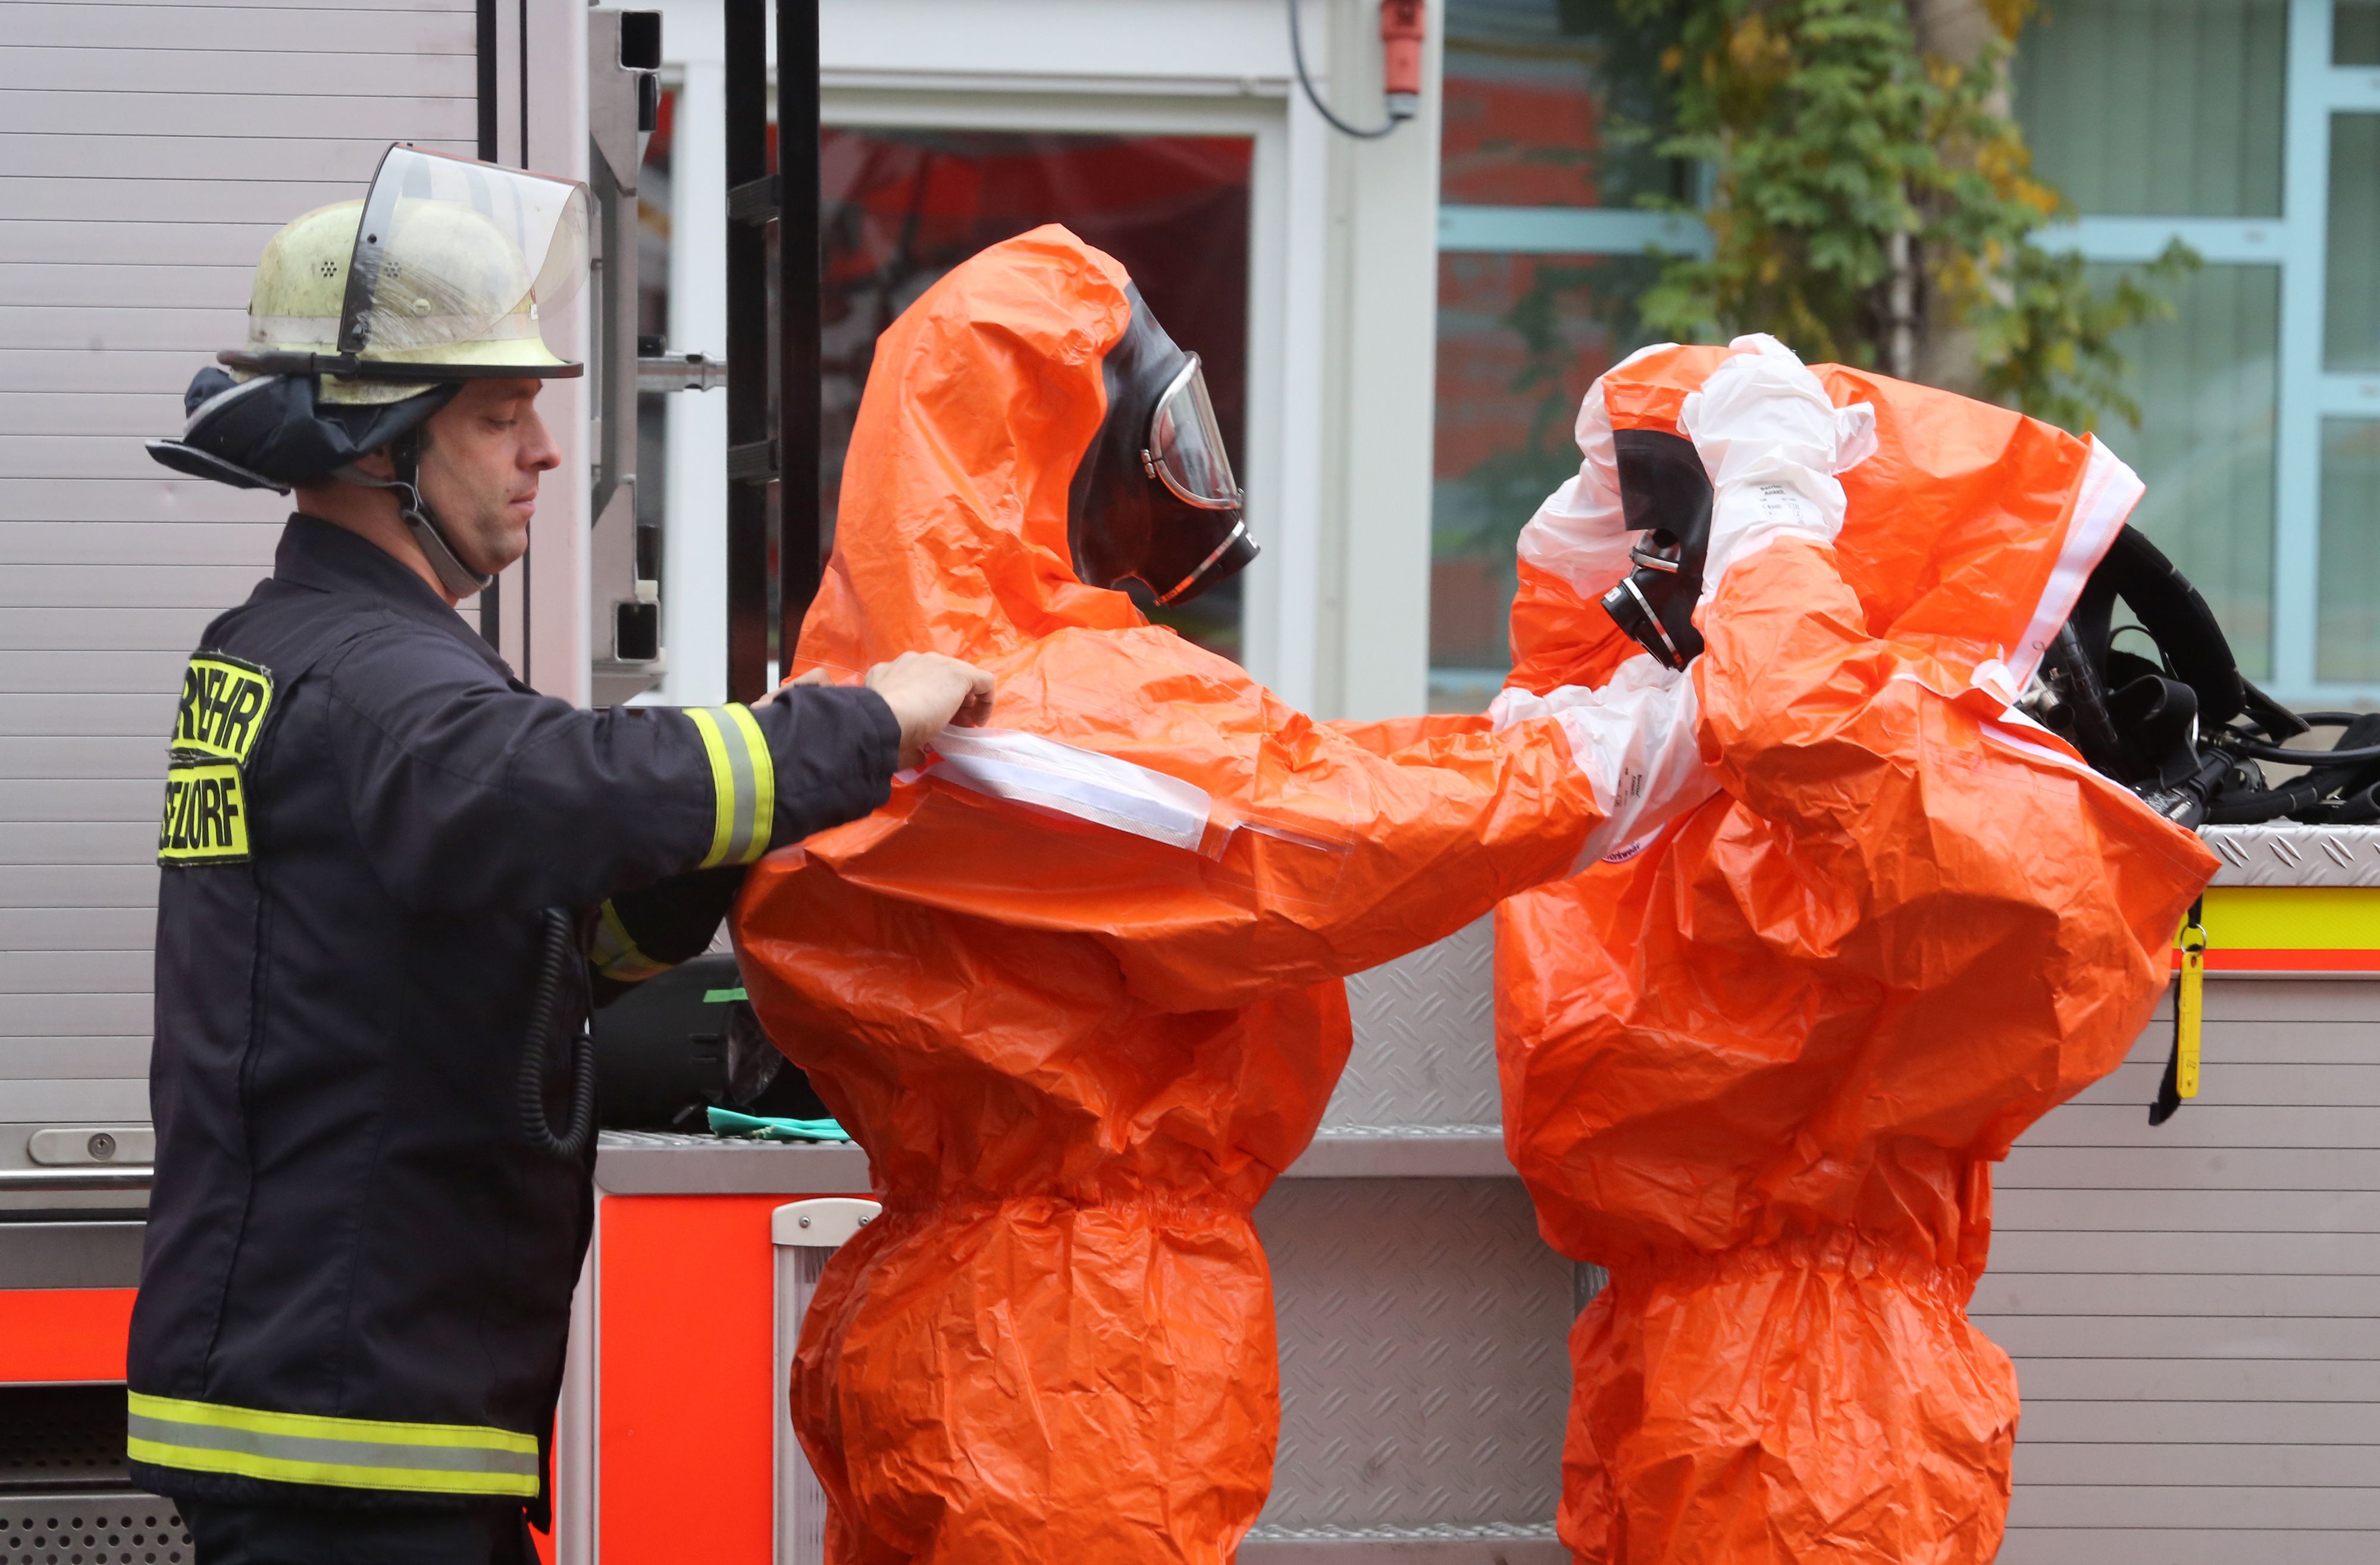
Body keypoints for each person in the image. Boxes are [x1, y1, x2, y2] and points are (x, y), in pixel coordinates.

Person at [731, 226, 1721, 1564]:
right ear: (1058, 447)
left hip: (951, 1312)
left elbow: (1298, 781)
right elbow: (1321, 828)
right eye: (1156, 431)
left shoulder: (867, 697)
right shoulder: (1024, 709)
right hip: (1073, 1353)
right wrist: (1619, 746)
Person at [129, 145, 991, 1565]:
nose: (544, 453)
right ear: (371, 442)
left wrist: (700, 871)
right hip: (348, 1436)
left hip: (345, 1405)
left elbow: (512, 940)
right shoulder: (371, 685)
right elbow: (555, 787)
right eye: (497, 415)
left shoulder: (303, 653)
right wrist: (854, 728)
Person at [1490, 336, 2221, 1563]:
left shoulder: (1963, 812)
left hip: (1826, 1428)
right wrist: (1602, 562)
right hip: (1701, 1386)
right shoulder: (1726, 787)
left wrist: (1770, 521)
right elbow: (1712, 723)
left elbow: (1804, 724)